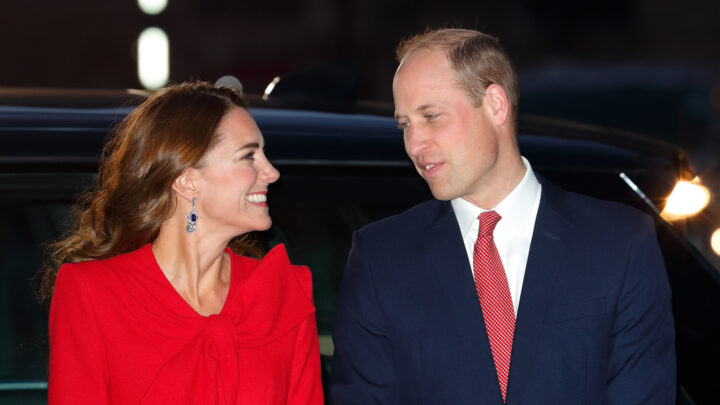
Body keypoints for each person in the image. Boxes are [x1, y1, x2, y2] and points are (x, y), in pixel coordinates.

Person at [331, 28, 675, 404]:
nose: (413, 145)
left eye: (431, 116)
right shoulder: (380, 258)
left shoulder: (619, 243)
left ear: (495, 104)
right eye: (405, 125)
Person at [41, 81, 324, 404]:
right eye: (249, 156)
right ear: (186, 179)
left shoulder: (283, 293)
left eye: (264, 154)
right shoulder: (93, 294)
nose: (271, 172)